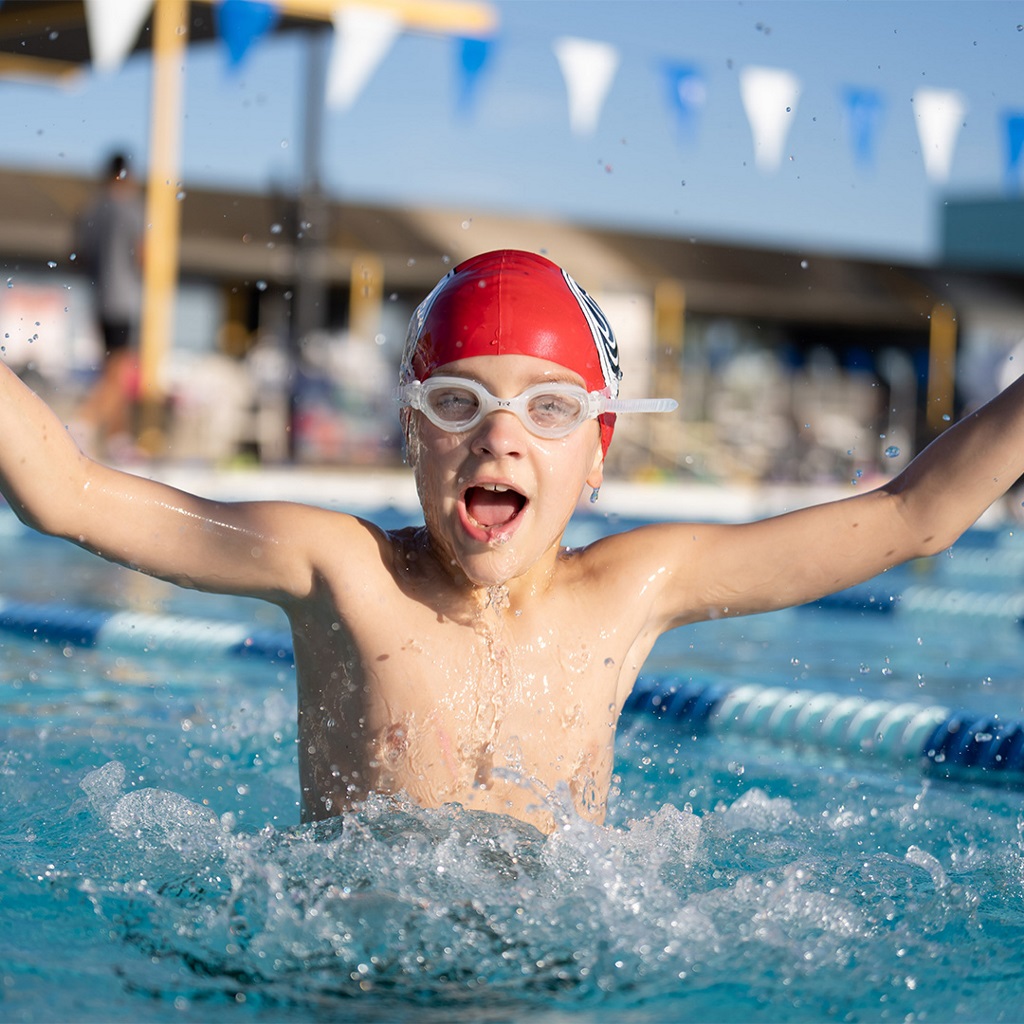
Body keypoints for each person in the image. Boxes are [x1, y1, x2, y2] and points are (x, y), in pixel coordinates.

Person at [1, 248, 1022, 835]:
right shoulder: (344, 572)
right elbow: (69, 494)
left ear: (598, 451)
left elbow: (910, 517)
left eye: (547, 407)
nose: (500, 435)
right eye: (460, 402)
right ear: (412, 434)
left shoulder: (637, 586)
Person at [74, 151, 145, 457]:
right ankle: (83, 423)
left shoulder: (91, 210)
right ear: (126, 174)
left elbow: (76, 257)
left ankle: (119, 441)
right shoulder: (131, 208)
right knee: (119, 372)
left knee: (112, 368)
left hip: (99, 297)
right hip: (124, 298)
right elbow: (142, 254)